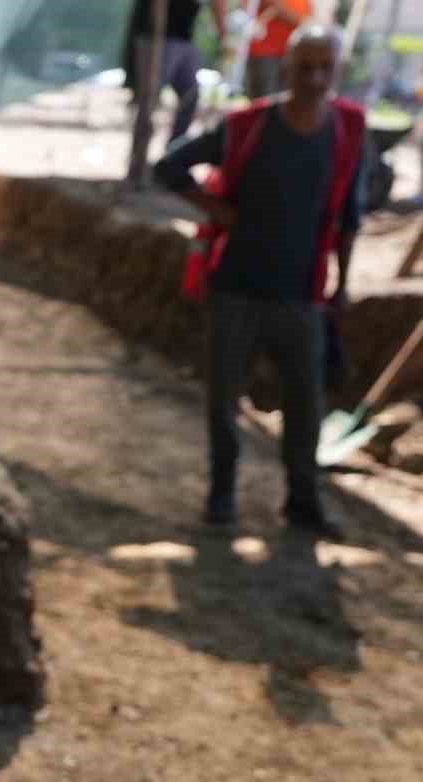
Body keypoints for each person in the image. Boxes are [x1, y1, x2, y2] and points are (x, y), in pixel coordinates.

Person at [156, 25, 365, 537]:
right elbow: (169, 167)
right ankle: (221, 498)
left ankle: (302, 502)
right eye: (306, 66)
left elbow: (349, 215)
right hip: (236, 288)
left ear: (337, 71)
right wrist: (214, 210)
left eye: (325, 67)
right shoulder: (246, 126)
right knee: (223, 399)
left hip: (302, 295)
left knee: (306, 404)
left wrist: (341, 284)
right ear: (286, 68)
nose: (315, 78)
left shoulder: (348, 130)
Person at [128, 0, 229, 148]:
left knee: (190, 97)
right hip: (155, 37)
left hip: (184, 38)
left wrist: (223, 35)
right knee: (149, 100)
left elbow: (217, 4)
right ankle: (139, 154)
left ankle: (173, 153)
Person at [245, 0, 312, 99]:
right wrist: (305, 24)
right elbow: (274, 4)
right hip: (266, 52)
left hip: (290, 53)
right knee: (265, 102)